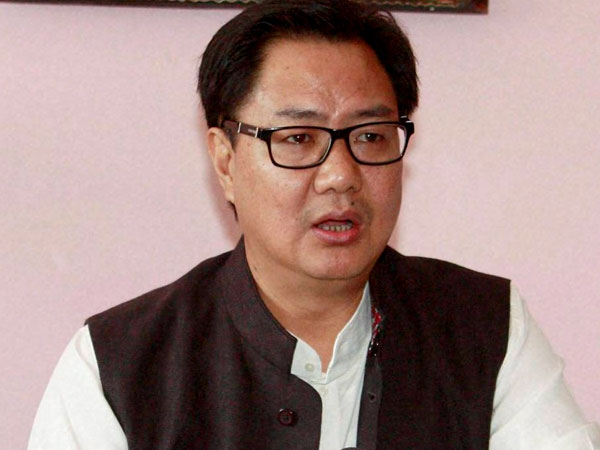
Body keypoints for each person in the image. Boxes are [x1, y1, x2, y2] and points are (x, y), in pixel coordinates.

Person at [29, 0, 599, 449]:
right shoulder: (118, 366)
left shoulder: (486, 328)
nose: (341, 176)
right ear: (225, 162)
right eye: (298, 138)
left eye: (370, 135)